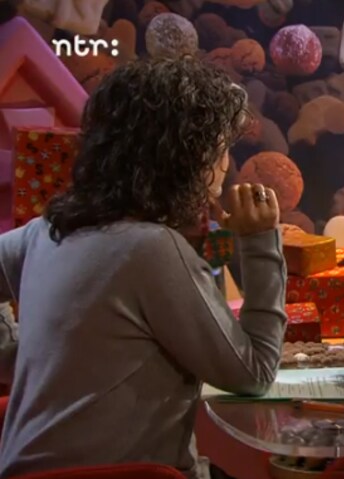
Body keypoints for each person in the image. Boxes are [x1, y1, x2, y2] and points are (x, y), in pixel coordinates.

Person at [0, 57, 287, 478]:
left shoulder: (45, 232)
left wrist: (20, 357)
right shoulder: (151, 249)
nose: (226, 164)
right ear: (185, 157)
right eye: (220, 149)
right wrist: (260, 241)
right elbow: (255, 371)